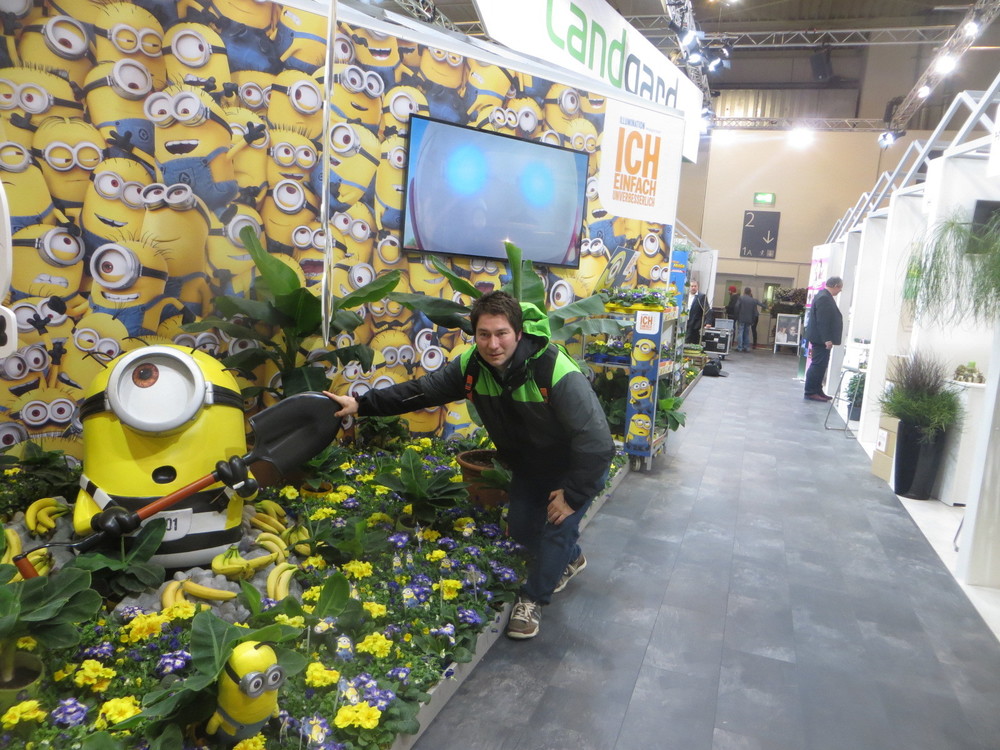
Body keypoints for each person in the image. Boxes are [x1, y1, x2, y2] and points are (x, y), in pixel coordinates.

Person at [323, 291, 614, 640]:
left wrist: (572, 494)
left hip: (577, 464)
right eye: (484, 334)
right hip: (532, 464)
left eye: (502, 333)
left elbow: (598, 443)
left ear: (518, 333)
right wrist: (361, 404)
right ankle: (571, 557)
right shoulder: (472, 367)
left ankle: (532, 599)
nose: (493, 344)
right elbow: (421, 391)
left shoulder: (554, 369)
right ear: (474, 335)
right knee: (523, 530)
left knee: (556, 528)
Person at [803, 276, 844, 401]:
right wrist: (827, 339)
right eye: (840, 288)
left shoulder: (823, 295)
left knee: (821, 365)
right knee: (818, 365)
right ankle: (810, 391)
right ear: (836, 286)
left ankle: (817, 390)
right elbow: (823, 321)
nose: (840, 291)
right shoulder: (824, 298)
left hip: (820, 338)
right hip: (820, 339)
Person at [733, 287, 764, 352]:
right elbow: (754, 311)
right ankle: (746, 347)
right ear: (750, 292)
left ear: (744, 291)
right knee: (746, 333)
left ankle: (739, 347)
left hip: (741, 318)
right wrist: (753, 320)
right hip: (749, 319)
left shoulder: (741, 298)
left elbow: (736, 307)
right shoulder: (752, 300)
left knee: (740, 332)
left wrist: (736, 316)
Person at [685, 280, 710, 344]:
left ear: (697, 287)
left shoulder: (701, 296)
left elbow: (707, 309)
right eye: (692, 286)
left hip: (695, 323)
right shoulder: (685, 296)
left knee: (690, 340)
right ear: (689, 287)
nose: (693, 288)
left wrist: (708, 322)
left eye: (695, 286)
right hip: (684, 321)